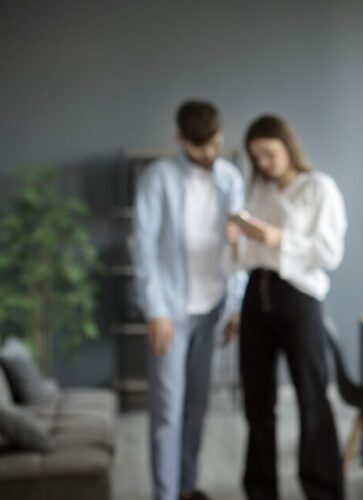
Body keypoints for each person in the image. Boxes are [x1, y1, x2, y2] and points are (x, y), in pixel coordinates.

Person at [228, 115, 346, 500]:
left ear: (286, 144)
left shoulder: (318, 188)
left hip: (298, 299)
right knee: (256, 404)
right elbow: (247, 256)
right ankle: (260, 491)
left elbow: (329, 253)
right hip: (254, 295)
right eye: (255, 157)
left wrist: (278, 237)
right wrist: (237, 240)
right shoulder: (257, 190)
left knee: (312, 398)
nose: (263, 163)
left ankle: (323, 490)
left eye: (268, 152)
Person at [132, 99, 246, 500]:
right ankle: (164, 494)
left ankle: (186, 486)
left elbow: (239, 251)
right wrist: (157, 311)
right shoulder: (156, 179)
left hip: (213, 307)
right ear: (179, 140)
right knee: (167, 410)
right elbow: (143, 250)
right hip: (172, 313)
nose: (209, 155)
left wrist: (234, 305)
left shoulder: (231, 178)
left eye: (214, 144)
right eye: (200, 148)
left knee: (197, 406)